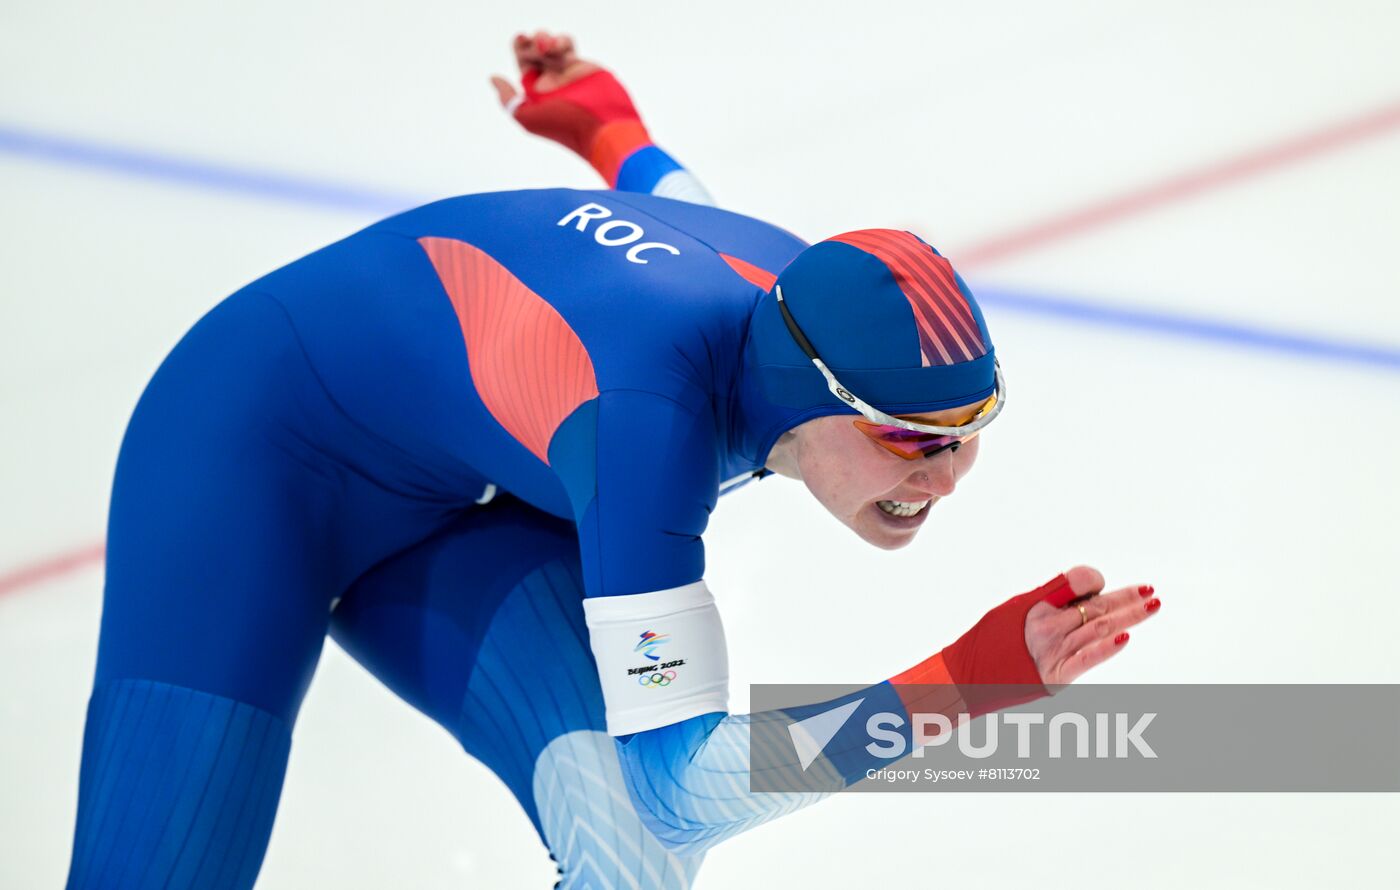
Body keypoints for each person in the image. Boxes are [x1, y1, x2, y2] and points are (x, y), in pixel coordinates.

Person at [65, 31, 1161, 889]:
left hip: (470, 490)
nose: (947, 474)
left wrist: (607, 126)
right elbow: (685, 788)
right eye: (911, 437)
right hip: (252, 452)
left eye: (968, 432)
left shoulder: (785, 297)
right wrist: (965, 679)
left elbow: (675, 207)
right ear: (809, 395)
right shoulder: (647, 427)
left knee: (632, 856)